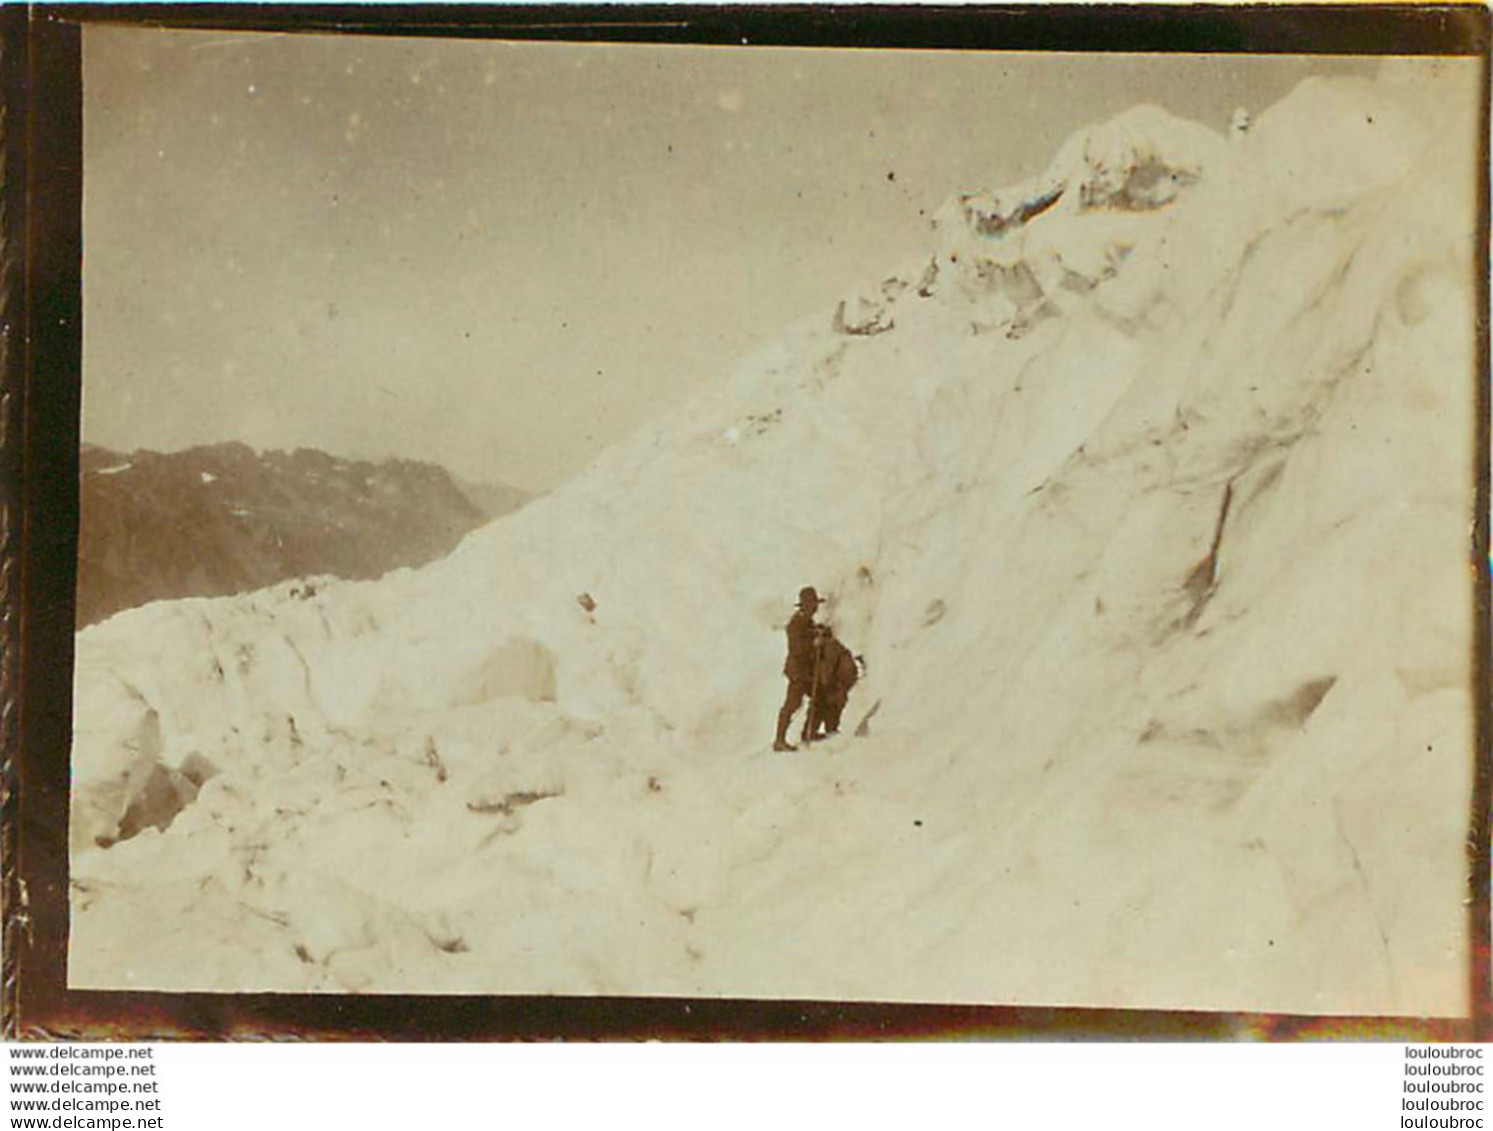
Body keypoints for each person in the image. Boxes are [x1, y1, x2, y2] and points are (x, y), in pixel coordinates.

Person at [773, 586, 821, 752]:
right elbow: (797, 648)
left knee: (819, 696)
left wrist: (819, 633)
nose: (815, 607)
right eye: (812, 604)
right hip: (797, 671)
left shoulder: (807, 621)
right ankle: (779, 740)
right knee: (792, 703)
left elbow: (812, 634)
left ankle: (810, 731)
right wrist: (813, 642)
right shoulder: (796, 623)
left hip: (805, 671)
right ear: (805, 605)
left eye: (816, 604)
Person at [804, 624, 859, 742]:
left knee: (825, 705)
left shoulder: (830, 647)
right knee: (823, 705)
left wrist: (825, 682)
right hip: (836, 683)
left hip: (836, 684)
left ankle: (817, 731)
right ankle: (815, 731)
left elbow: (828, 669)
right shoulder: (826, 647)